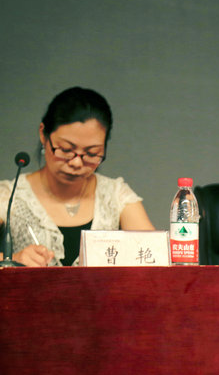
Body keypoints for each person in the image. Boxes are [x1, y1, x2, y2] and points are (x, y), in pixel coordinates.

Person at [0, 86, 155, 267]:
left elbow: (155, 257)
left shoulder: (116, 196)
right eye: (66, 150)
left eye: (91, 153)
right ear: (43, 134)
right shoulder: (9, 196)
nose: (76, 163)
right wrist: (10, 260)